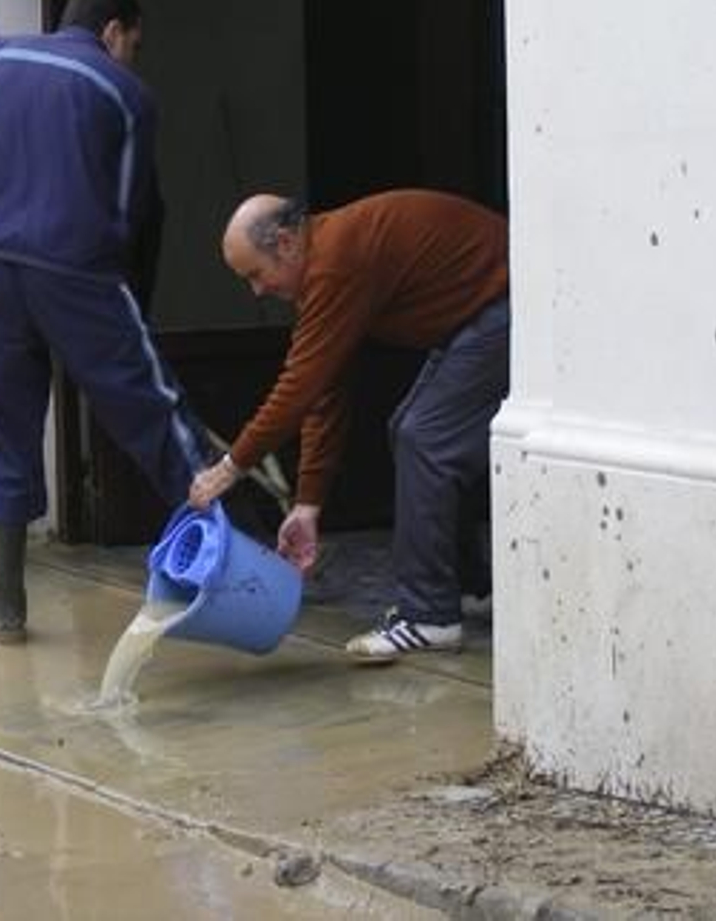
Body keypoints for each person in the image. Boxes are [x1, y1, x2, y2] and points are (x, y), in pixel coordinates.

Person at [0, 0, 212, 644]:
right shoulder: (125, 93)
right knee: (152, 411)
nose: (133, 58)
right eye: (135, 45)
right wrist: (120, 301)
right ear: (114, 32)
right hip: (77, 271)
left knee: (3, 432)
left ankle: (7, 611)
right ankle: (230, 567)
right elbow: (130, 211)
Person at [188, 190, 509, 664]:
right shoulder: (324, 262)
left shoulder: (335, 261)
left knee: (423, 437)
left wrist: (232, 466)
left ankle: (430, 616)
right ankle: (464, 586)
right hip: (473, 315)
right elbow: (323, 389)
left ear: (285, 242)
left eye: (255, 274)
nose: (256, 291)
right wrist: (308, 504)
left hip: (506, 303)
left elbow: (298, 385)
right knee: (413, 431)